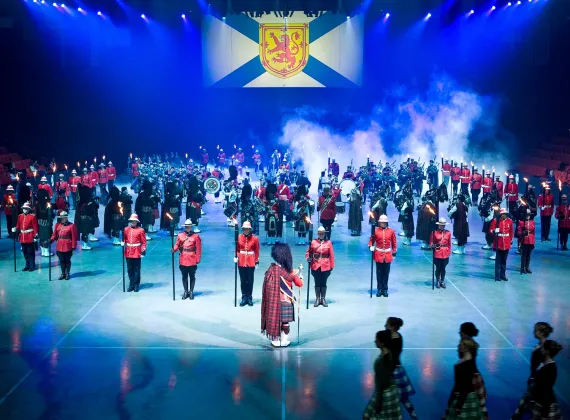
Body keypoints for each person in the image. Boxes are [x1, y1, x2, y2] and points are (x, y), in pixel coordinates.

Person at [261, 243, 304, 347]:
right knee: (285, 323)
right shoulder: (290, 272)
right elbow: (300, 284)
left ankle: (276, 341)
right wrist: (300, 277)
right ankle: (284, 341)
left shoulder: (271, 270)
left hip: (273, 302)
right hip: (286, 302)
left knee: (275, 322)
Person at [512, 322, 555, 419]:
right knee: (526, 402)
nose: (533, 332)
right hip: (535, 379)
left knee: (526, 402)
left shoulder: (543, 349)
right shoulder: (542, 346)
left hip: (536, 380)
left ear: (541, 333)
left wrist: (533, 377)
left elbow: (540, 366)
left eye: (535, 331)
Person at [363, 330, 402, 420]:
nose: (375, 341)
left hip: (384, 393)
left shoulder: (382, 361)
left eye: (376, 340)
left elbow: (381, 383)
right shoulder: (390, 353)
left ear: (382, 343)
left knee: (367, 416)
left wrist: (378, 403)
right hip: (391, 390)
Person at [443, 339, 485, 420]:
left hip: (463, 398)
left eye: (460, 345)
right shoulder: (468, 361)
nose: (458, 346)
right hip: (463, 395)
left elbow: (465, 386)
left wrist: (458, 406)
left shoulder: (465, 365)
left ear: (466, 348)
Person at [385, 317, 418, 420]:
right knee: (404, 398)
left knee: (390, 398)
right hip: (398, 369)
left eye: (387, 324)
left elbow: (392, 357)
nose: (385, 326)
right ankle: (414, 416)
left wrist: (388, 373)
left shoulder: (391, 339)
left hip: (393, 371)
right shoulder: (398, 336)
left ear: (393, 326)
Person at [459, 323, 489, 420]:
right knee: (480, 402)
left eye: (461, 330)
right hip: (475, 375)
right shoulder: (471, 343)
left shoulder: (465, 344)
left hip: (470, 377)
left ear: (464, 332)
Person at [172, 219, 202, 300]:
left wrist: (198, 258)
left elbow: (198, 249)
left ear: (191, 227)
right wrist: (174, 249)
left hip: (192, 259)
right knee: (184, 276)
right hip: (183, 258)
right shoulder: (180, 235)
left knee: (192, 276)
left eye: (189, 226)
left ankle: (191, 292)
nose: (188, 228)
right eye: (186, 226)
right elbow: (177, 245)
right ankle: (186, 291)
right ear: (185, 227)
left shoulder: (196, 236)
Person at [306, 226, 335, 306]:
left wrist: (331, 265)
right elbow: (308, 252)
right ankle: (317, 299)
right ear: (318, 234)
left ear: (324, 234)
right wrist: (308, 258)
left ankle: (323, 299)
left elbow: (331, 255)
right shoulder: (313, 242)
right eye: (320, 233)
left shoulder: (328, 243)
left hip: (326, 265)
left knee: (324, 282)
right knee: (317, 282)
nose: (321, 235)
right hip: (316, 265)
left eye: (322, 233)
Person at [369, 215, 397, 297]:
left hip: (387, 255)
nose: (383, 224)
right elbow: (371, 241)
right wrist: (370, 246)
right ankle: (379, 289)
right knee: (379, 273)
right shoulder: (376, 231)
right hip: (378, 255)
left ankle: (385, 289)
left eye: (384, 222)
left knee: (386, 274)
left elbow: (394, 243)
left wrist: (394, 253)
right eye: (381, 222)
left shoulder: (391, 231)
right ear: (379, 223)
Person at [235, 221, 260, 306]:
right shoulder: (239, 237)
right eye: (244, 229)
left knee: (250, 280)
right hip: (241, 261)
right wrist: (236, 256)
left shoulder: (255, 238)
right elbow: (237, 248)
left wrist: (256, 261)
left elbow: (256, 250)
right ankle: (244, 296)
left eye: (247, 229)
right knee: (243, 280)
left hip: (251, 261)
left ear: (250, 230)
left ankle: (249, 297)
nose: (245, 231)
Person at [122, 213, 147, 292]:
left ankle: (136, 285)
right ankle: (131, 284)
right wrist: (122, 242)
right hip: (128, 251)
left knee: (136, 269)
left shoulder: (141, 230)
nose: (133, 222)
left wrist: (143, 250)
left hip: (136, 252)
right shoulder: (126, 229)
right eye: (132, 221)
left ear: (137, 222)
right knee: (130, 269)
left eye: (134, 221)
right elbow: (124, 238)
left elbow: (143, 242)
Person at [50, 210, 77, 280]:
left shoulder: (71, 226)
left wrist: (73, 246)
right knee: (61, 260)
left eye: (63, 217)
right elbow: (54, 235)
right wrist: (50, 240)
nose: (62, 219)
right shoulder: (57, 225)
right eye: (61, 217)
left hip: (68, 246)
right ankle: (63, 273)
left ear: (66, 218)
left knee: (67, 260)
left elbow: (74, 237)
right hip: (59, 246)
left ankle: (67, 273)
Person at [489, 208, 514, 281]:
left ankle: (503, 275)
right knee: (498, 261)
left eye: (505, 214)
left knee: (504, 260)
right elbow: (490, 230)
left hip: (506, 243)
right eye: (503, 214)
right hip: (498, 243)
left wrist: (510, 241)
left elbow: (511, 232)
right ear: (501, 214)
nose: (505, 215)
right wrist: (494, 231)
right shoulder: (495, 221)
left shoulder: (510, 221)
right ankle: (497, 276)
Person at [13, 201, 38, 272]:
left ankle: (32, 265)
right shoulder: (20, 216)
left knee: (30, 252)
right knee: (25, 252)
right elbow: (18, 225)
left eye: (26, 209)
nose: (25, 210)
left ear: (29, 209)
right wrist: (15, 229)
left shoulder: (32, 217)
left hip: (29, 236)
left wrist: (35, 236)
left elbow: (35, 227)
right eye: (24, 208)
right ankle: (27, 265)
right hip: (22, 237)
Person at [430, 217, 452, 289]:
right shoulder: (434, 232)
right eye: (441, 225)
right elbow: (431, 242)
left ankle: (442, 281)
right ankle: (438, 280)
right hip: (438, 252)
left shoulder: (448, 233)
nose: (442, 226)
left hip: (445, 253)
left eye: (443, 225)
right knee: (438, 268)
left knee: (443, 268)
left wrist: (448, 251)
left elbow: (449, 244)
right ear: (438, 225)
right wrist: (432, 246)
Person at [517, 209, 536, 274]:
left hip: (531, 240)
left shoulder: (532, 222)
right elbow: (518, 232)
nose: (528, 216)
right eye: (527, 215)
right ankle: (523, 268)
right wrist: (522, 233)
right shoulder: (521, 222)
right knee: (524, 255)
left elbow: (533, 232)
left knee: (529, 255)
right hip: (524, 240)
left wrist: (534, 241)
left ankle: (527, 267)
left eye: (529, 215)